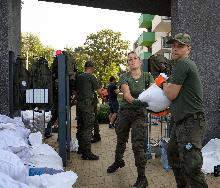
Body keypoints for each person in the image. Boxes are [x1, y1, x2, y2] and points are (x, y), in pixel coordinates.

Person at [156, 33, 208, 188]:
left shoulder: (184, 64)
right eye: (173, 46)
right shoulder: (178, 66)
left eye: (180, 46)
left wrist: (161, 83)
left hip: (191, 122)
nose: (175, 49)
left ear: (188, 49)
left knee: (191, 166)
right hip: (181, 121)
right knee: (174, 156)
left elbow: (171, 93)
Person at [107, 51, 153, 188]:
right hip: (125, 113)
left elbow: (152, 93)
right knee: (121, 140)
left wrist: (147, 103)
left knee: (137, 145)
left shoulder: (147, 76)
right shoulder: (124, 77)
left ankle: (142, 177)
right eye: (129, 59)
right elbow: (127, 96)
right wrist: (145, 103)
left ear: (139, 61)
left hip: (140, 115)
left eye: (134, 58)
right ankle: (118, 161)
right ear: (128, 63)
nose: (132, 61)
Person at [76, 61, 102, 160]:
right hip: (87, 105)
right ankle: (86, 153)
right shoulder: (91, 77)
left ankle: (80, 148)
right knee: (88, 128)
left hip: (79, 104)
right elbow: (99, 91)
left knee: (80, 126)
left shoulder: (79, 77)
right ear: (91, 68)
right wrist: (100, 95)